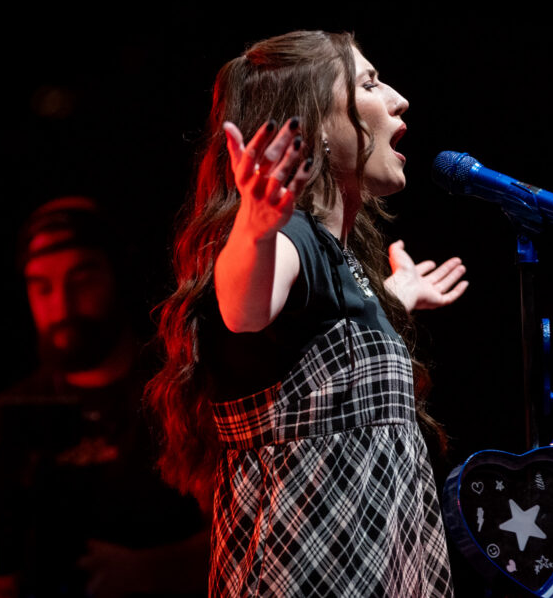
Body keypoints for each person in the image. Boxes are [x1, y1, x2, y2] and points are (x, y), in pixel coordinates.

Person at [145, 30, 469, 596]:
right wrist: (255, 227)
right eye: (369, 83)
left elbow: (325, 337)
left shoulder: (334, 258)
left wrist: (394, 297)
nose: (398, 99)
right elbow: (245, 309)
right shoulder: (288, 239)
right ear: (315, 123)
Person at [0, 196, 210, 598]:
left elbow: (244, 535)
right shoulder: (6, 418)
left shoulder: (181, 392)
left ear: (116, 274)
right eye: (42, 287)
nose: (62, 306)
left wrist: (146, 572)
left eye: (82, 279)